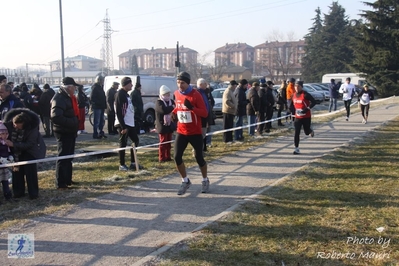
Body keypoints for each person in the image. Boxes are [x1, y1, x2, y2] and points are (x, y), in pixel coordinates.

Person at [172, 71, 209, 195]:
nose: (180, 85)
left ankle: (205, 180)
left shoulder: (196, 95)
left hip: (195, 132)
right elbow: (178, 106)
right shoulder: (176, 94)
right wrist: (173, 113)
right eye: (178, 82)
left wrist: (192, 108)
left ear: (188, 83)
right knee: (177, 157)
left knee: (199, 158)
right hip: (181, 131)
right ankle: (185, 181)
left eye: (182, 83)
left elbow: (204, 113)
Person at [4, 108, 43, 199]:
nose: (16, 127)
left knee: (31, 172)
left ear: (25, 124)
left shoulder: (32, 128)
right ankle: (18, 192)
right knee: (16, 172)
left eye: (19, 126)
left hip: (29, 151)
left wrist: (14, 144)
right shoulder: (8, 125)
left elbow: (30, 144)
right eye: (14, 125)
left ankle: (33, 193)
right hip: (15, 152)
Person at [51, 77, 79, 189]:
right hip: (63, 131)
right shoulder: (59, 98)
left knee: (69, 156)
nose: (75, 89)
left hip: (71, 131)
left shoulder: (69, 97)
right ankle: (60, 183)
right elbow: (56, 116)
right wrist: (72, 122)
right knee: (63, 157)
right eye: (74, 87)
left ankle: (68, 179)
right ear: (69, 87)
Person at [114, 77, 142, 171]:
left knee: (135, 141)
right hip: (123, 124)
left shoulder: (127, 94)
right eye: (130, 84)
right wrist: (123, 126)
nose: (132, 85)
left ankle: (133, 162)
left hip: (130, 123)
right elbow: (118, 111)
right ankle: (121, 164)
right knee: (123, 144)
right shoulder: (120, 94)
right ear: (125, 84)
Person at [292, 81, 316, 155]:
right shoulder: (294, 95)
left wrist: (306, 109)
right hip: (298, 117)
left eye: (298, 86)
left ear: (301, 87)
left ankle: (310, 131)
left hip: (306, 117)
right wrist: (291, 110)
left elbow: (314, 102)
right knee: (296, 132)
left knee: (306, 132)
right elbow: (292, 105)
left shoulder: (305, 94)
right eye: (295, 86)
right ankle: (296, 148)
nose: (296, 88)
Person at [155, 85, 175, 162]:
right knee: (163, 142)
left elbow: (174, 108)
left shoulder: (171, 101)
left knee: (169, 142)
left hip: (170, 125)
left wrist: (172, 107)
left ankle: (168, 156)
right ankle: (162, 157)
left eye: (169, 94)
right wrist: (172, 107)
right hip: (162, 125)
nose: (168, 95)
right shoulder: (159, 102)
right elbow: (163, 110)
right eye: (166, 94)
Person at [196, 78, 213, 152]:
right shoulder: (197, 93)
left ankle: (203, 148)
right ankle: (198, 150)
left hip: (206, 115)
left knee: (204, 133)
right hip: (200, 117)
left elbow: (210, 101)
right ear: (200, 85)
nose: (206, 85)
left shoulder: (205, 92)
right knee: (200, 135)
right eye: (205, 84)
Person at [0, 121, 14, 203]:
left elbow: (9, 151)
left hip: (4, 166)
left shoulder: (6, 143)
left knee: (5, 181)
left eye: (6, 134)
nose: (4, 135)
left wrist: (10, 156)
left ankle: (8, 195)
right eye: (2, 134)